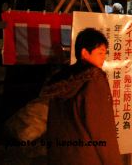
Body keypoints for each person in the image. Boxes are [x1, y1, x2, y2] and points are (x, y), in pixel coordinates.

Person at [40, 28, 121, 165]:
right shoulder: (94, 79)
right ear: (84, 53)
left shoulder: (61, 79)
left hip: (62, 156)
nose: (104, 57)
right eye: (100, 52)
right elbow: (101, 128)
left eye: (105, 53)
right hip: (87, 158)